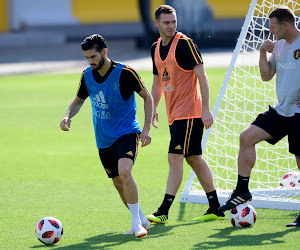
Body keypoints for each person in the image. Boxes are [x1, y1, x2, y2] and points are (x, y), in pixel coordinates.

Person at [60, 34, 154, 237]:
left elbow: (148, 97)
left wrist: (146, 129)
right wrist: (67, 116)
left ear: (104, 52)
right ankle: (142, 219)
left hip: (127, 131)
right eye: (87, 58)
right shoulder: (87, 75)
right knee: (118, 182)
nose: (90, 61)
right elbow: (78, 101)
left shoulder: (126, 73)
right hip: (103, 138)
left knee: (125, 171)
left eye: (93, 56)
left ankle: (136, 223)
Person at [218, 6, 300, 227]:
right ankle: (242, 190)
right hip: (281, 111)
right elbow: (266, 76)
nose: (270, 32)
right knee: (246, 137)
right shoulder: (279, 46)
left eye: (273, 28)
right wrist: (263, 52)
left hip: (299, 114)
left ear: (285, 25)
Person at [145, 4, 224, 224]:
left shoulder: (186, 44)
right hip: (174, 113)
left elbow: (203, 77)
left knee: (174, 158)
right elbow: (157, 82)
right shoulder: (155, 47)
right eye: (166, 23)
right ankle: (215, 206)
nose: (171, 26)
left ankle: (164, 210)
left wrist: (206, 109)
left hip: (189, 112)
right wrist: (153, 109)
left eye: (174, 22)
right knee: (194, 158)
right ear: (157, 24)